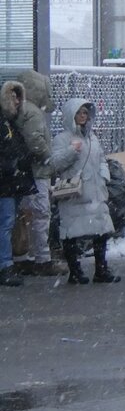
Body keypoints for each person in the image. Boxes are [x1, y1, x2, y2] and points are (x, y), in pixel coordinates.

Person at [49, 98, 120, 285]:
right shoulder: (62, 139)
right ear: (71, 115)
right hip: (74, 193)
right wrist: (72, 151)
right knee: (71, 232)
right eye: (79, 112)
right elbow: (55, 164)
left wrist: (104, 176)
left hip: (95, 192)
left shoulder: (92, 137)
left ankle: (101, 269)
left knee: (101, 231)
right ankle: (75, 271)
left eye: (85, 113)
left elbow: (101, 158)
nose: (83, 116)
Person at [7, 74, 65, 276]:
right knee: (41, 215)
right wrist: (49, 158)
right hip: (37, 172)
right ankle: (42, 259)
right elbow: (36, 141)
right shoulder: (33, 112)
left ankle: (22, 258)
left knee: (24, 217)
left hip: (24, 173)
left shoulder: (20, 110)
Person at [0, 86, 36, 287]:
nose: (16, 101)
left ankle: (6, 264)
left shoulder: (11, 123)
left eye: (18, 98)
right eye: (13, 97)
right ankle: (5, 265)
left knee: (8, 223)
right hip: (6, 183)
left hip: (11, 182)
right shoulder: (5, 123)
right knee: (5, 224)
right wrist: (11, 164)